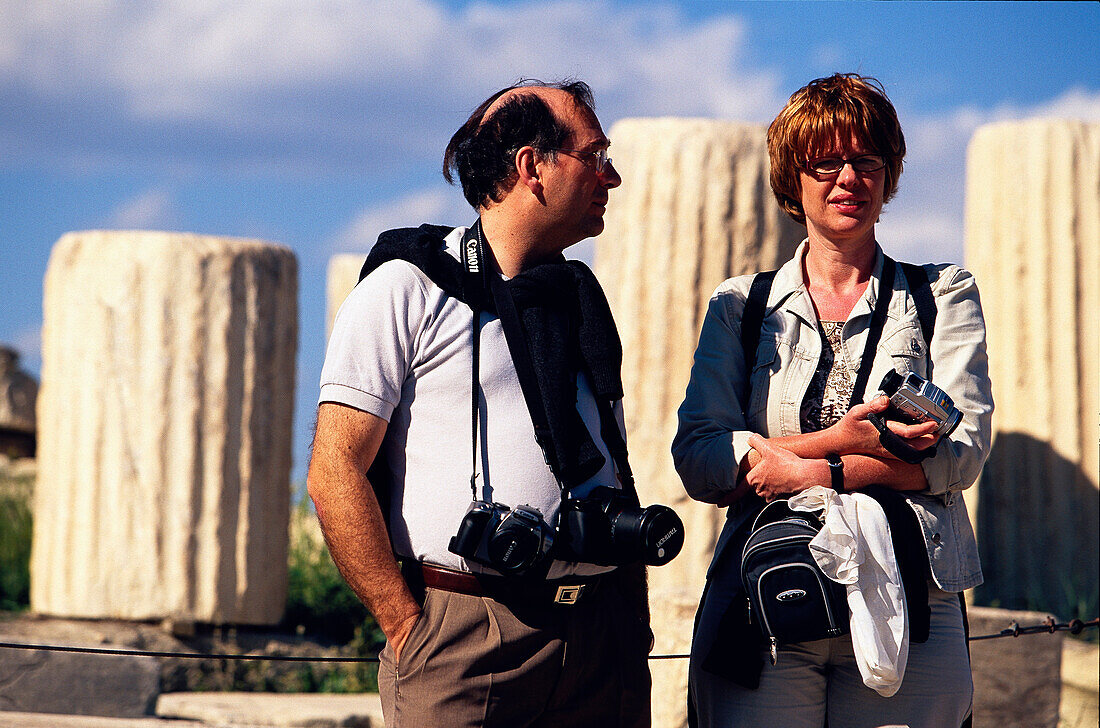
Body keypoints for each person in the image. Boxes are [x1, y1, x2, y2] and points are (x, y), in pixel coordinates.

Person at [307, 79, 653, 728]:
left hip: (601, 638)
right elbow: (334, 471)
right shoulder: (406, 288)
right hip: (464, 632)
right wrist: (403, 622)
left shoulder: (576, 296)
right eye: (595, 155)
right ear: (532, 167)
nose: (612, 177)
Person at [672, 73, 994, 728]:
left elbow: (960, 458)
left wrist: (812, 473)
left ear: (888, 174)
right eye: (827, 162)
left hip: (913, 595)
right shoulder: (741, 305)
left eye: (866, 161)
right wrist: (840, 443)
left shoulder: (944, 295)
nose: (849, 177)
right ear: (793, 177)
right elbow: (701, 458)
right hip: (764, 589)